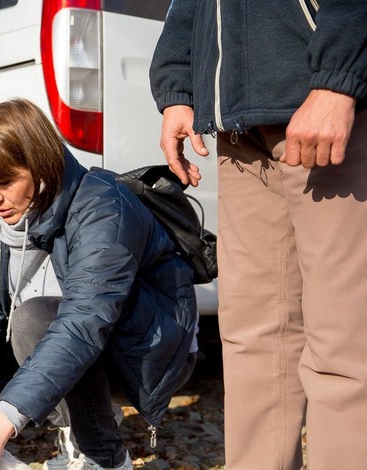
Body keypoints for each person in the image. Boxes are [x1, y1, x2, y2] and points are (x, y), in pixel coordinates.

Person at [0, 98, 198, 470]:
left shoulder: (102, 208)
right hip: (63, 342)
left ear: (41, 164)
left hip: (144, 350)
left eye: (5, 181)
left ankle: (104, 457)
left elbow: (83, 324)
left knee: (35, 320)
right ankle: (73, 420)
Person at [150, 1, 367, 468]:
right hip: (239, 131)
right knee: (252, 341)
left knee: (344, 347)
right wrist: (177, 83)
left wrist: (338, 79)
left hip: (322, 111)